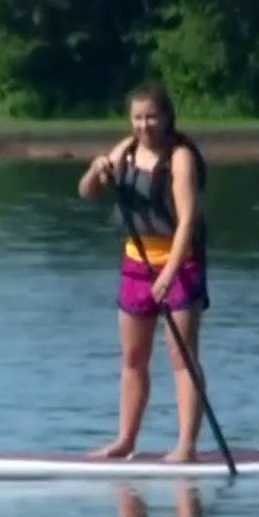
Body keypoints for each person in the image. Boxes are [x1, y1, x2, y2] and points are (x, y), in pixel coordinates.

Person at [76, 81, 211, 463]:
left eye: (152, 116)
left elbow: (187, 221)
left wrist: (169, 273)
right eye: (137, 117)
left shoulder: (180, 157)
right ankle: (125, 440)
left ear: (167, 117)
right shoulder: (126, 151)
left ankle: (186, 445)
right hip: (136, 264)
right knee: (133, 358)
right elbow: (87, 192)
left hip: (178, 263)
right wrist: (97, 169)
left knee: (181, 358)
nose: (144, 125)